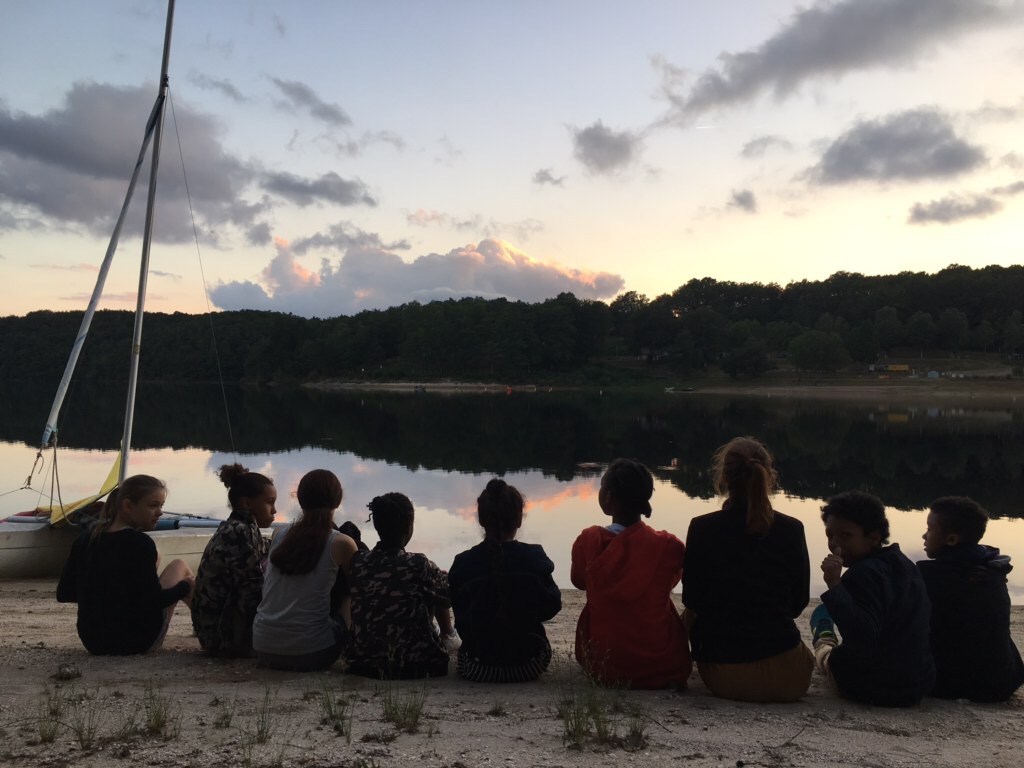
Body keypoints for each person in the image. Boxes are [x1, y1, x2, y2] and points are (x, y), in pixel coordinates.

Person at [683, 437, 813, 702]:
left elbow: (692, 599)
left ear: (724, 478)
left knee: (688, 615)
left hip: (727, 677)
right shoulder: (792, 529)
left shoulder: (702, 528)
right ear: (769, 476)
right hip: (791, 677)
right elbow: (798, 603)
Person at [570, 458, 691, 689]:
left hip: (605, 667)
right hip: (662, 665)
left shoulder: (588, 541)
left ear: (609, 497)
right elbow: (672, 580)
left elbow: (578, 581)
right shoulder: (669, 546)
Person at [811, 490, 934, 706]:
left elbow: (863, 640)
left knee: (827, 654)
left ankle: (823, 636)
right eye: (830, 535)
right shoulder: (906, 565)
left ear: (874, 538)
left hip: (871, 687)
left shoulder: (861, 574)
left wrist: (834, 585)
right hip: (916, 684)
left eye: (846, 536)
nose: (834, 544)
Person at [56, 474, 193, 655]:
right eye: (153, 505)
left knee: (157, 556)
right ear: (127, 506)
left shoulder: (85, 539)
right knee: (179, 566)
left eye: (161, 506)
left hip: (93, 642)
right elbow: (153, 602)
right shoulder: (140, 543)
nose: (160, 512)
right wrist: (185, 587)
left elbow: (64, 593)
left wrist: (104, 595)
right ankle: (207, 629)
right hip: (134, 642)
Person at [449, 479, 562, 683]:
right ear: (519, 520)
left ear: (481, 520)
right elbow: (552, 606)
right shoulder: (535, 557)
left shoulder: (464, 563)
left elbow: (461, 616)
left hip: (478, 668)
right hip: (529, 666)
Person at [918, 496, 1024, 701]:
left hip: (961, 683)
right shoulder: (992, 568)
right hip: (1005, 679)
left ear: (951, 539)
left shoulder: (932, 576)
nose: (924, 535)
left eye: (929, 529)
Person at [252, 469, 357, 671]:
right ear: (337, 502)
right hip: (312, 652)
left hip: (263, 647)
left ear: (300, 500)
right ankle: (353, 649)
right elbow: (360, 589)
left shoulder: (279, 535)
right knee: (350, 591)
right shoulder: (341, 542)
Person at [346, 492, 455, 679]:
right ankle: (449, 636)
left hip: (363, 663)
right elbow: (448, 599)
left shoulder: (358, 562)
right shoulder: (419, 564)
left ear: (377, 526)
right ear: (409, 527)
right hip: (417, 663)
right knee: (434, 586)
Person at [191, 463, 275, 658]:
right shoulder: (239, 533)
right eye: (270, 502)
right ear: (247, 503)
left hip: (212, 632)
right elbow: (253, 589)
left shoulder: (236, 526)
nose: (274, 510)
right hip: (221, 638)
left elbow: (268, 548)